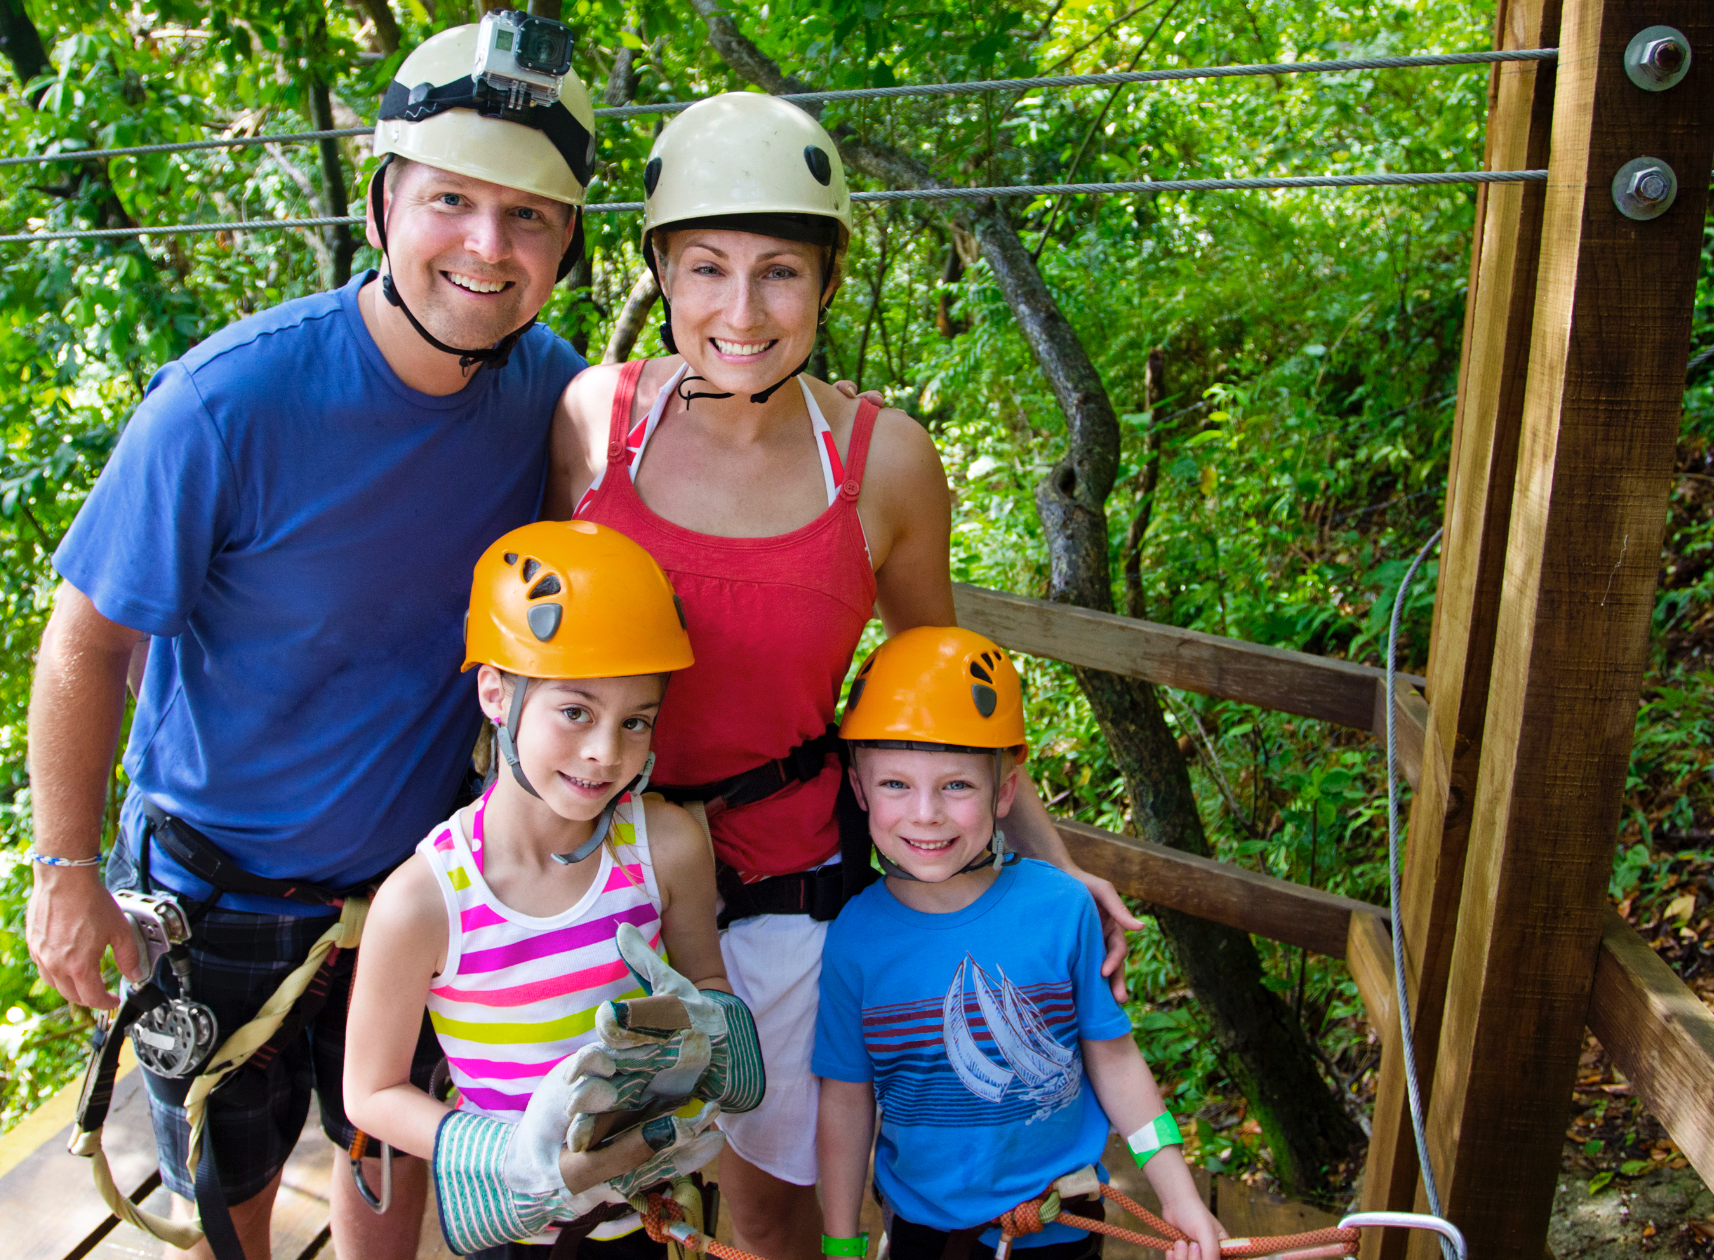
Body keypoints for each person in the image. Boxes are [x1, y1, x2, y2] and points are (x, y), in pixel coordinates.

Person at [26, 19, 597, 1260]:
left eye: (530, 218)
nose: (486, 249)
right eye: (450, 199)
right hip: (212, 890)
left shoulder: (542, 390)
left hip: (409, 889)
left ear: (566, 245)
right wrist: (64, 874)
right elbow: (86, 638)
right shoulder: (229, 402)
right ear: (386, 200)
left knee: (381, 1153)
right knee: (229, 1197)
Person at [546, 92, 1139, 1260]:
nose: (740, 309)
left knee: (771, 1209)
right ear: (659, 271)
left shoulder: (881, 463)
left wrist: (1057, 873)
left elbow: (943, 695)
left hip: (783, 882)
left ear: (825, 282)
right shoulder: (590, 425)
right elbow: (528, 669)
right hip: (598, 875)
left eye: (779, 272)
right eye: (705, 267)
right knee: (605, 1197)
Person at [343, 519, 765, 1260]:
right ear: (496, 694)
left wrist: (715, 1031)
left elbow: (704, 977)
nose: (607, 752)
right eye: (576, 711)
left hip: (651, 1215)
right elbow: (369, 1092)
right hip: (516, 1229)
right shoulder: (423, 901)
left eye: (637, 721)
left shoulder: (664, 845)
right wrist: (516, 1155)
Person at [814, 627, 1223, 1260]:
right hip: (929, 1237)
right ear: (860, 788)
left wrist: (1179, 1195)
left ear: (1005, 790)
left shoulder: (1061, 909)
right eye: (896, 784)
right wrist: (841, 1244)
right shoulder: (855, 939)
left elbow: (1114, 1061)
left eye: (958, 785)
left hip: (1065, 1226)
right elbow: (846, 1101)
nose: (926, 814)